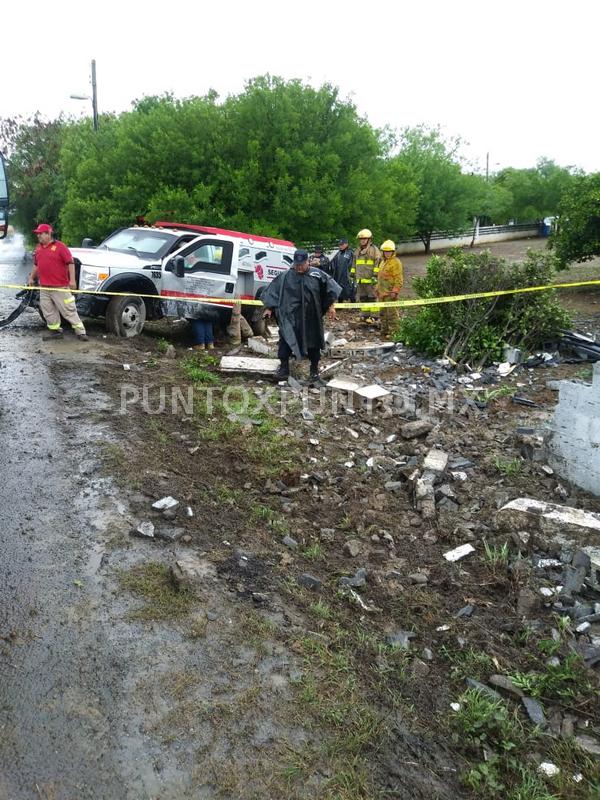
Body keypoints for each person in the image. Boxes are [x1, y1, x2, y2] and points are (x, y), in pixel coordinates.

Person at [261, 249, 341, 384]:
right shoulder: (286, 276)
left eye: (301, 264)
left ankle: (314, 371)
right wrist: (269, 308)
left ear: (307, 262)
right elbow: (273, 292)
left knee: (314, 342)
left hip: (311, 317)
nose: (299, 267)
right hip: (290, 316)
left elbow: (330, 290)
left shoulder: (317, 275)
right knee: (286, 339)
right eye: (296, 264)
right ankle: (284, 369)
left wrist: (331, 306)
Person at [28, 223, 88, 341]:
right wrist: (31, 277)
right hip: (44, 287)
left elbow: (70, 263)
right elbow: (36, 264)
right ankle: (56, 332)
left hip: (60, 287)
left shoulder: (60, 247)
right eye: (37, 234)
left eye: (40, 234)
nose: (38, 236)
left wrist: (72, 280)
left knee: (68, 310)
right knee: (48, 312)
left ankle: (81, 333)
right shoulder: (38, 248)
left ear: (49, 234)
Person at [352, 228, 381, 322]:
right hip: (360, 280)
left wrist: (375, 275)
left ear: (369, 239)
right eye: (361, 239)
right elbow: (354, 263)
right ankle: (365, 315)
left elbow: (378, 263)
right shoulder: (357, 251)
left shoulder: (374, 250)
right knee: (363, 298)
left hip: (370, 280)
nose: (362, 240)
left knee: (372, 298)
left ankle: (374, 316)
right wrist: (352, 273)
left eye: (364, 239)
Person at [376, 240, 403, 338]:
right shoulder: (383, 262)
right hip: (382, 293)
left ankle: (394, 333)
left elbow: (399, 279)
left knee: (392, 314)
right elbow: (380, 277)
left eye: (389, 251)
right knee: (382, 313)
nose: (387, 253)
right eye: (386, 251)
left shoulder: (396, 262)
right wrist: (377, 289)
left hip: (390, 293)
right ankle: (384, 331)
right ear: (383, 252)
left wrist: (395, 291)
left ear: (393, 252)